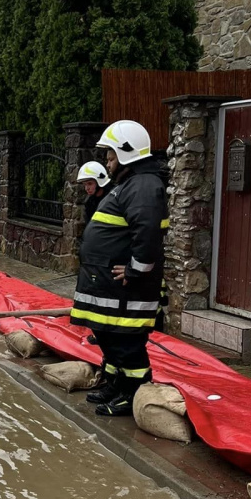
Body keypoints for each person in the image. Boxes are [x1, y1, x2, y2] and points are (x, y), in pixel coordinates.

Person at [71, 120, 169, 417]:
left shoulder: (143, 185)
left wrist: (134, 271)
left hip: (126, 285)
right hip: (107, 283)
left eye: (111, 156)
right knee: (108, 335)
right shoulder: (132, 184)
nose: (108, 163)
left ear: (127, 153)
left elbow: (148, 232)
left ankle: (133, 392)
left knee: (126, 342)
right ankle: (115, 382)